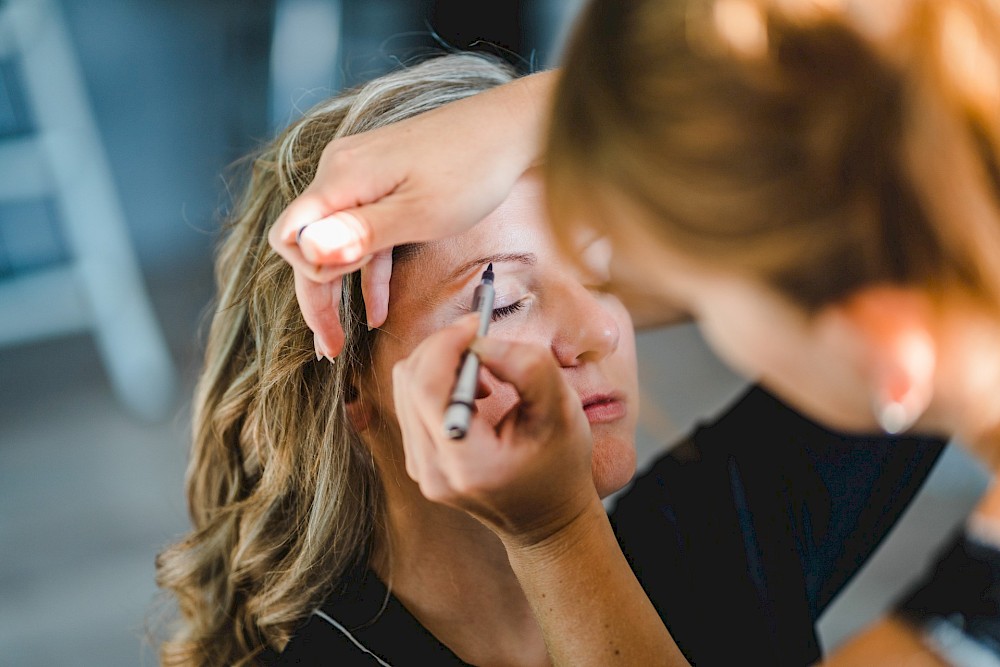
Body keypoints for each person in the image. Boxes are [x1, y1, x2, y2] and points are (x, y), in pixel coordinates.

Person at [156, 47, 945, 667]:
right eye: (500, 300)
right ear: (347, 384)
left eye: (601, 274)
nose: (599, 332)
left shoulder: (719, 539)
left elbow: (959, 204)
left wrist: (546, 113)